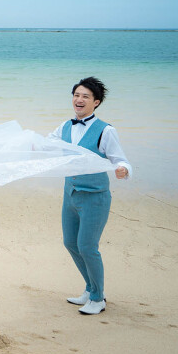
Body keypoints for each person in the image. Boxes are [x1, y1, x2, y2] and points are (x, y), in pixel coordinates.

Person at [48, 77, 131, 315]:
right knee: (70, 243)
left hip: (95, 198)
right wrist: (29, 145)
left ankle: (98, 298)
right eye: (76, 95)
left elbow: (120, 160)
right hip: (70, 195)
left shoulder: (106, 131)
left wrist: (123, 170)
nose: (79, 99)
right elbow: (47, 144)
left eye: (85, 96)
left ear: (96, 102)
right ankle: (90, 288)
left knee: (87, 246)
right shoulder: (65, 126)